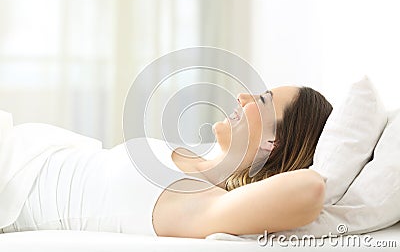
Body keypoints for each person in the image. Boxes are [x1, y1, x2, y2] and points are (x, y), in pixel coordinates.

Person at [0, 85, 332, 239]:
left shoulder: (201, 203)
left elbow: (311, 188)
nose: (243, 97)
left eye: (262, 100)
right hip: (17, 145)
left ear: (272, 144)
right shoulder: (193, 156)